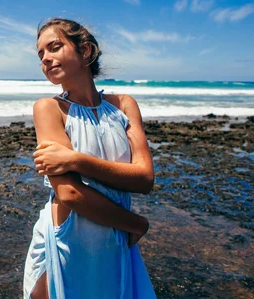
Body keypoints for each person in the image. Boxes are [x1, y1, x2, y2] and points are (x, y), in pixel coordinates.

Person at [24, 18, 157, 299]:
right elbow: (70, 193)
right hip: (69, 238)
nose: (45, 59)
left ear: (85, 51)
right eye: (40, 55)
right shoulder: (48, 108)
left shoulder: (123, 105)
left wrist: (76, 160)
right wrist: (136, 224)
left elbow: (145, 178)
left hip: (114, 235)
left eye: (54, 47)